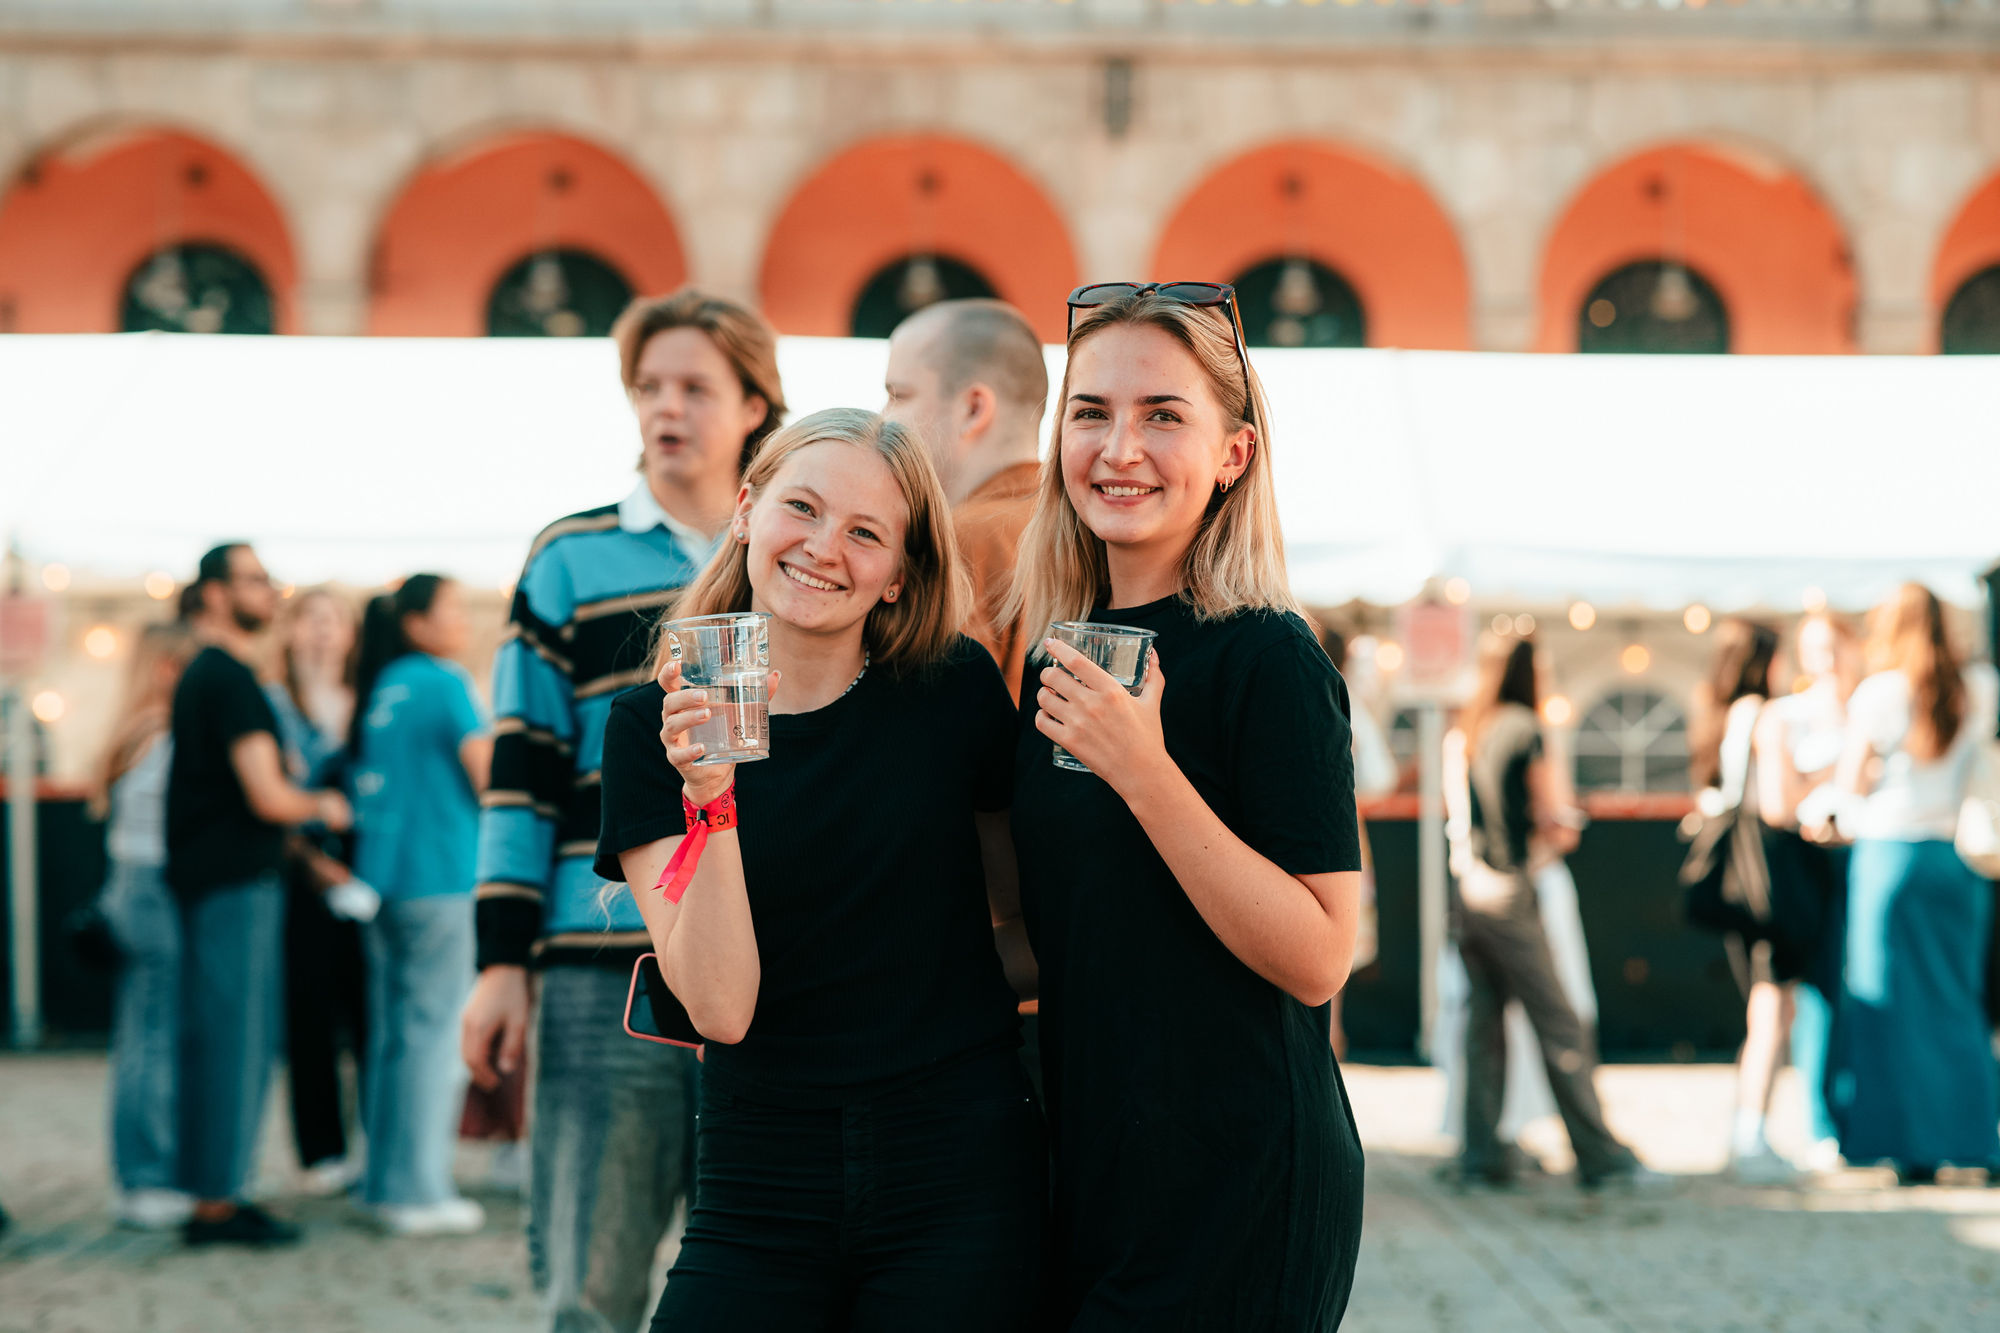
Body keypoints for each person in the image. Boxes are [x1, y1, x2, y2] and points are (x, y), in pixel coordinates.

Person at [599, 407, 1045, 1331]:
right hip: (759, 1171)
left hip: (954, 1158)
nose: (823, 548)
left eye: (866, 532)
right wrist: (712, 797)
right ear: (747, 511)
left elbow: (1024, 913)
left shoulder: (950, 689)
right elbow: (720, 1007)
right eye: (801, 508)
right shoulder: (656, 726)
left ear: (897, 577)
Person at [1006, 283, 1364, 1330]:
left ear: (1231, 456)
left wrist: (1143, 770)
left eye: (1162, 415)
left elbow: (1317, 954)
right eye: (1091, 412)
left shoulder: (1267, 656)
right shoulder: (1054, 658)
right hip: (1097, 1167)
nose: (1119, 447)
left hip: (1237, 1175)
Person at [460, 288, 786, 1333]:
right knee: (589, 1290)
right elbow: (520, 769)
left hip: (768, 955)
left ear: (754, 401)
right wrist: (501, 961)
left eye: (694, 386)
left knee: (761, 1274)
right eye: (649, 387)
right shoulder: (569, 557)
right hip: (598, 956)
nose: (665, 407)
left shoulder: (796, 551)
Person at [168, 542, 353, 1246]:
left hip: (222, 881)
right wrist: (327, 804)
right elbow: (270, 794)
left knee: (226, 1039)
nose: (269, 591)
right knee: (234, 1043)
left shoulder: (213, 676)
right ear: (213, 593)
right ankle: (218, 1201)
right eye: (252, 580)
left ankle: (215, 1189)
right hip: (233, 885)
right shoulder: (230, 679)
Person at [1444, 632, 1658, 1194]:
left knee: (1484, 1025)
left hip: (1469, 889)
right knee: (1560, 1024)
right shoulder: (1527, 729)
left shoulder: (1472, 730)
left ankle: (1481, 1154)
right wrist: (1567, 824)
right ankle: (1599, 1154)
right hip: (1512, 888)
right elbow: (1550, 820)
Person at [1828, 582, 1999, 1182]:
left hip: (1890, 854)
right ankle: (1977, 1140)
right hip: (1959, 858)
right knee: (1958, 1000)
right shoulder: (1980, 686)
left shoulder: (1880, 693)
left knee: (1886, 1005)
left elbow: (1850, 785)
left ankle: (1909, 1147)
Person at [350, 576, 492, 1234]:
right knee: (434, 1040)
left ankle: (385, 1181)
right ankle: (418, 1191)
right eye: (453, 608)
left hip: (385, 882)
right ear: (417, 621)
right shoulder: (444, 680)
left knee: (394, 1039)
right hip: (442, 875)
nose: (462, 620)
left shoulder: (384, 684)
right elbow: (488, 774)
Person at [1690, 617, 1811, 1182]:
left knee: (1764, 1004)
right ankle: (1750, 1134)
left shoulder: (1717, 713)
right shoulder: (1766, 714)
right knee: (1771, 1007)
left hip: (1739, 877)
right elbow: (1780, 805)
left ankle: (1749, 1130)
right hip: (1767, 875)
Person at [883, 297, 1048, 700]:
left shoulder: (956, 539)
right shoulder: (1073, 523)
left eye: (899, 395)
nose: (882, 415)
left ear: (973, 409)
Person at [91, 621, 199, 1230]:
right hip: (154, 889)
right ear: (166, 669)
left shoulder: (132, 732)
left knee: (140, 1034)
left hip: (127, 887)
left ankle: (142, 1172)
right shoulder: (164, 735)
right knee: (154, 1035)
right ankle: (146, 1177)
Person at [266, 587, 370, 1196]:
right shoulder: (274, 704)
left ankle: (372, 1144)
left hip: (366, 875)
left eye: (334, 620)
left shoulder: (367, 702)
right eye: (310, 620)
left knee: (367, 1012)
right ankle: (321, 1152)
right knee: (307, 1016)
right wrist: (309, 862)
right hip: (299, 873)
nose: (322, 632)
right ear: (289, 630)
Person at [1758, 610, 1862, 1171]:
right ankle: (1822, 1124)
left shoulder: (1868, 709)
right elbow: (1779, 803)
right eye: (1816, 648)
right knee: (1818, 993)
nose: (1827, 660)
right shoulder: (1788, 716)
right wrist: (1843, 772)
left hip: (1864, 856)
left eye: (1835, 647)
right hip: (1810, 866)